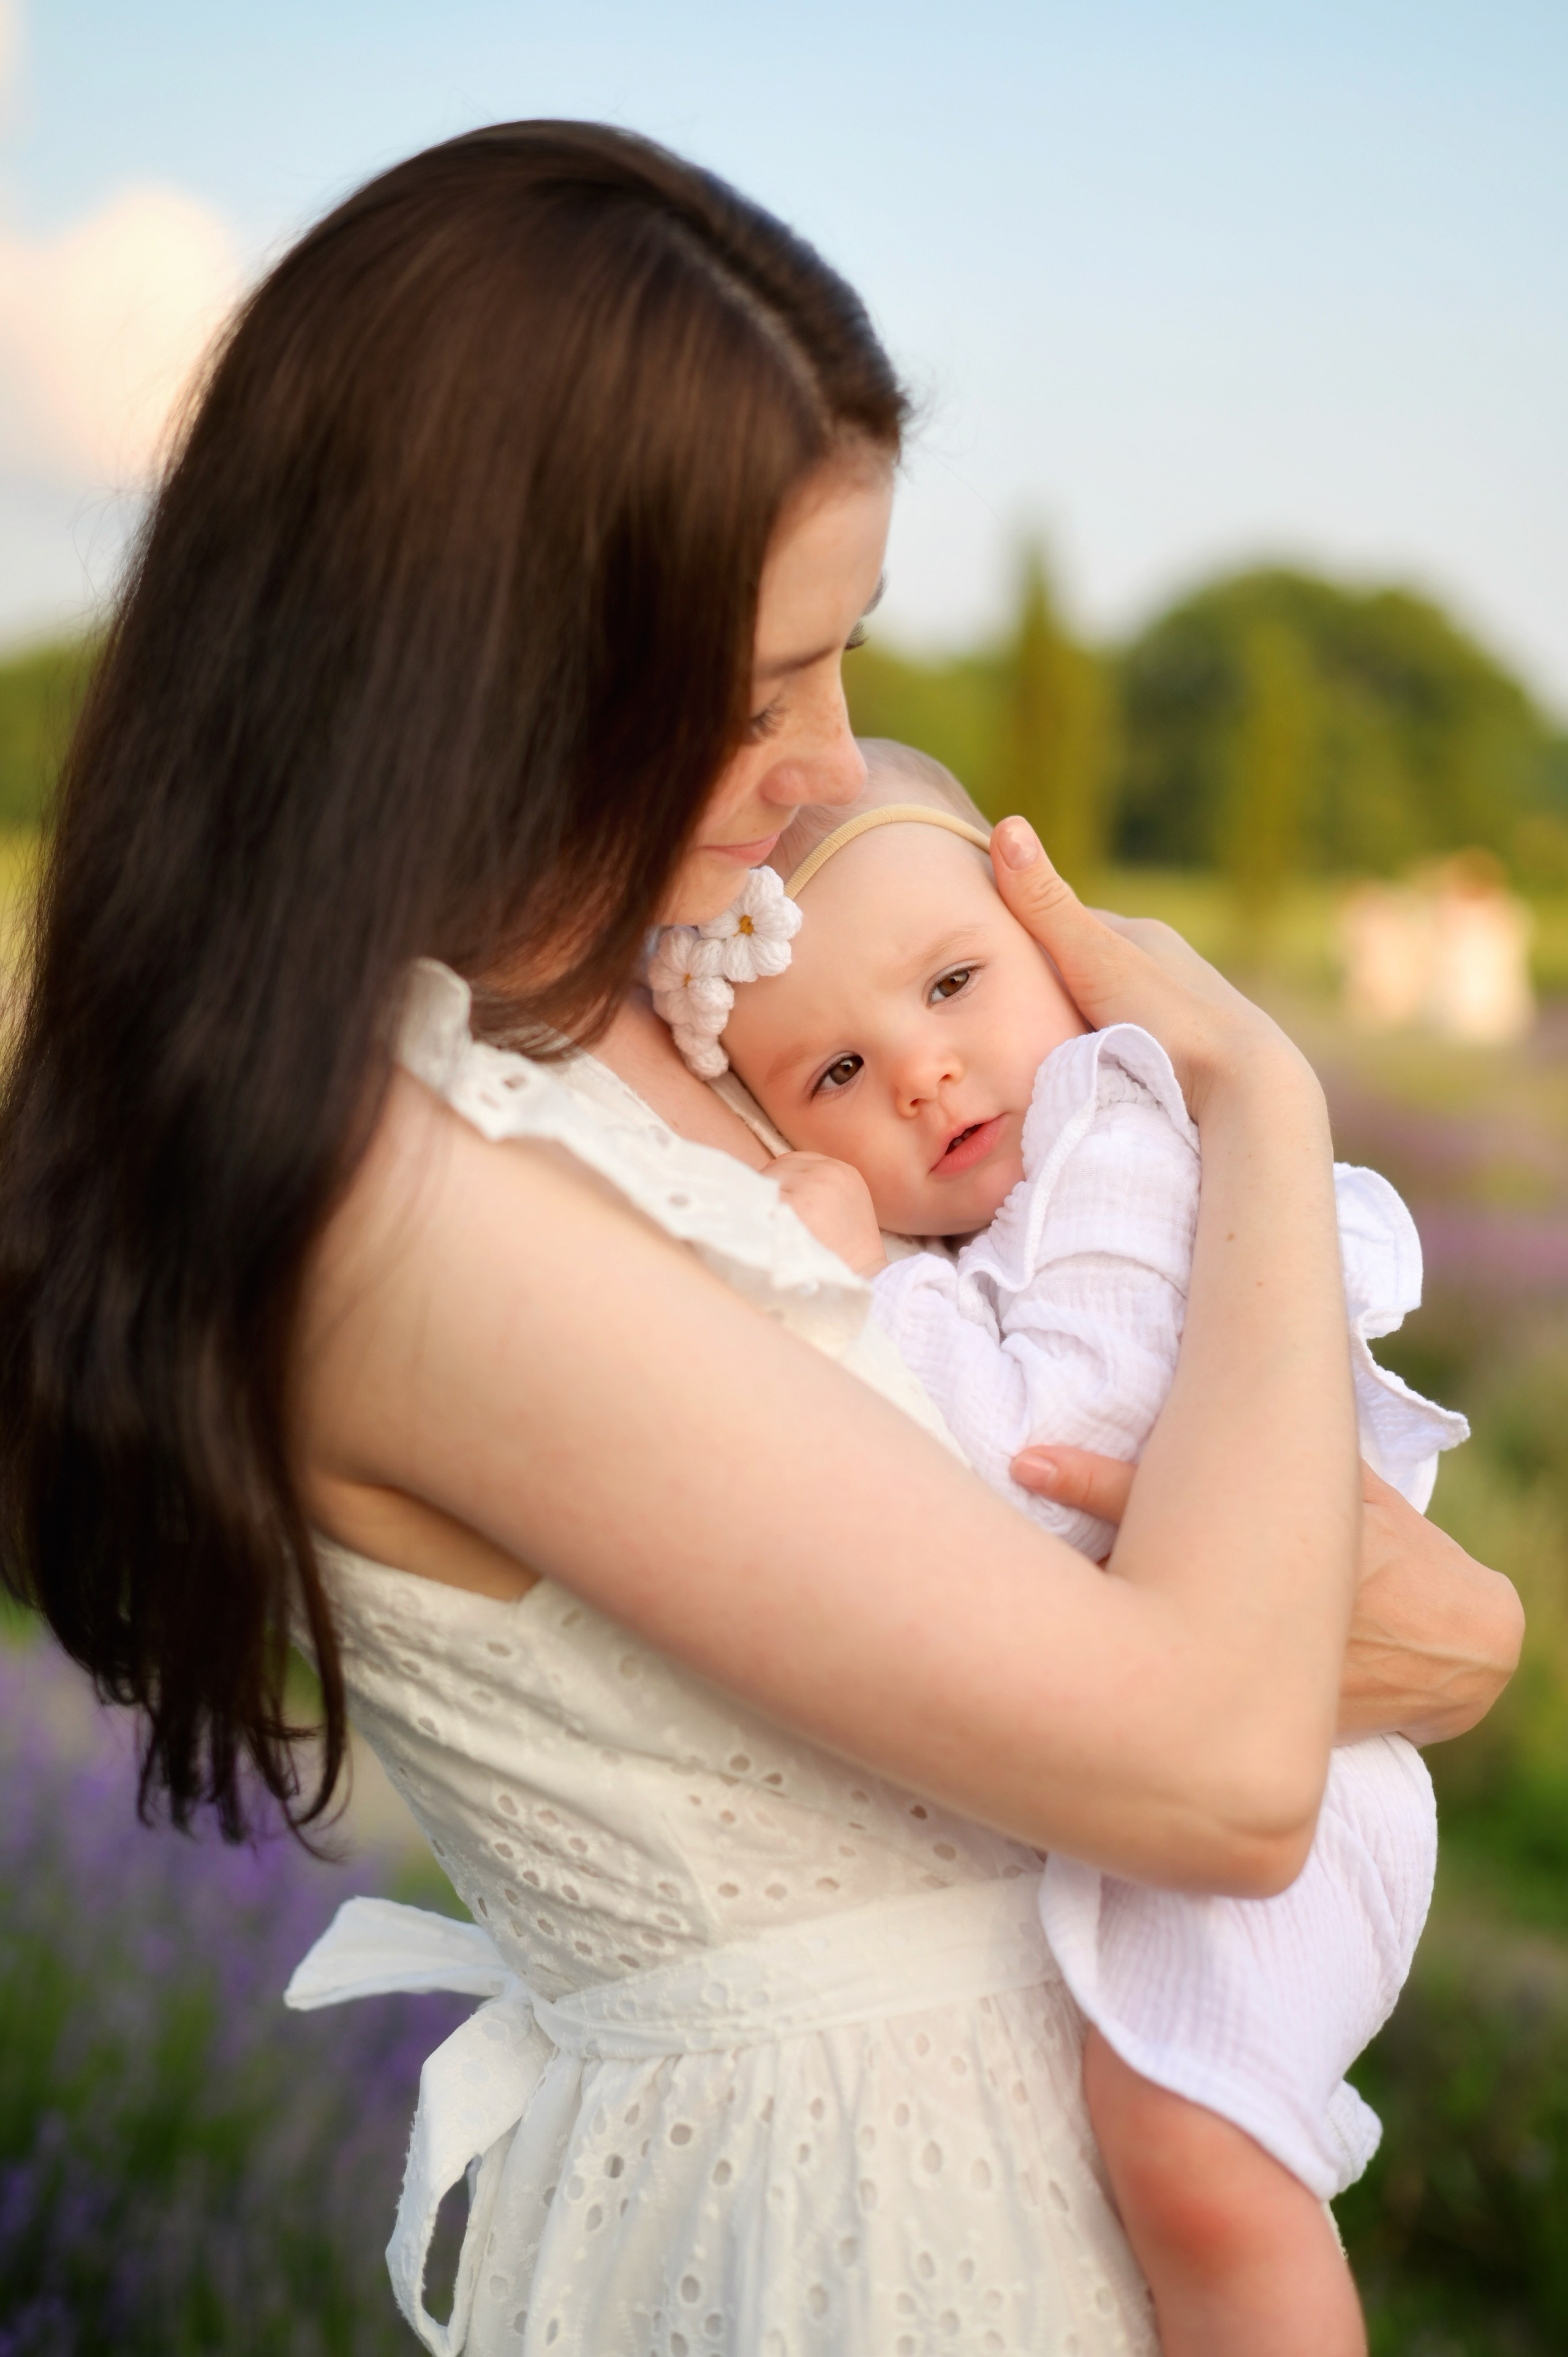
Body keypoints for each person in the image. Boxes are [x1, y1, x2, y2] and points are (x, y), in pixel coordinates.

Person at [0, 124, 1521, 2357]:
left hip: (1057, 2174)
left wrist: (1408, 1621)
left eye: (845, 660)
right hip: (841, 2256)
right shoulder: (396, 1204)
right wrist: (1262, 1111)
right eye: (745, 693)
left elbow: (1421, 1639)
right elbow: (1212, 1757)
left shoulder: (682, 1011)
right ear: (465, 663)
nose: (825, 771)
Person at [712, 743, 1469, 2357]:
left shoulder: (1119, 1145)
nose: (919, 1071)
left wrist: (863, 1290)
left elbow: (1060, 1475)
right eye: (833, 1076)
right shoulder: (988, 1225)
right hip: (1154, 1749)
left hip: (1299, 1775)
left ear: (1056, 945)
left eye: (955, 982)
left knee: (1193, 2146)